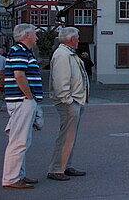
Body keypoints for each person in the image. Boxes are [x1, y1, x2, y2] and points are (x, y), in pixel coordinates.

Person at [2, 23, 43, 190]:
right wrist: (29, 97)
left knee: (22, 140)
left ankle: (18, 174)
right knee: (19, 141)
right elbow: (19, 75)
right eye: (34, 34)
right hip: (21, 101)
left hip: (21, 100)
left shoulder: (21, 51)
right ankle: (12, 178)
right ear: (26, 36)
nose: (37, 37)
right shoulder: (19, 51)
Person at [47, 27, 88, 182]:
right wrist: (67, 100)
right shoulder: (63, 55)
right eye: (77, 37)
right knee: (66, 137)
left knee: (70, 136)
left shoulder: (67, 53)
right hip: (69, 102)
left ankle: (65, 165)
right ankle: (57, 169)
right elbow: (60, 80)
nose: (78, 39)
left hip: (75, 100)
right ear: (71, 39)